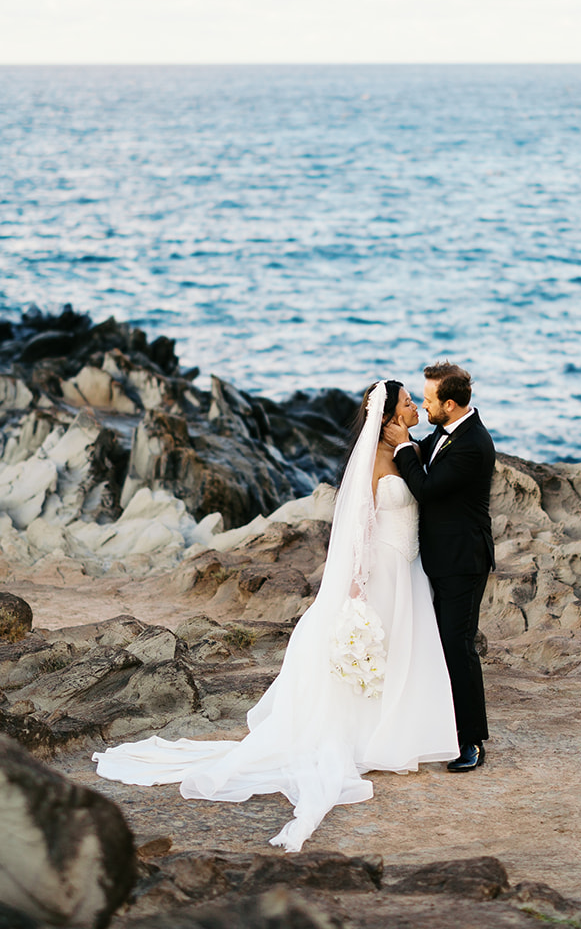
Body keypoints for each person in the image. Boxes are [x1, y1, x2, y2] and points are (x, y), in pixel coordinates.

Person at [93, 380, 457, 851]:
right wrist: (355, 592)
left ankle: (396, 732)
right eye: (407, 401)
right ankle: (368, 737)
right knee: (379, 647)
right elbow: (358, 531)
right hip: (383, 568)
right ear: (388, 416)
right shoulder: (372, 460)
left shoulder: (410, 449)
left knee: (406, 650)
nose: (413, 406)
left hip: (408, 565)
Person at [382, 361, 496, 773]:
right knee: (437, 645)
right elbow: (423, 456)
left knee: (458, 647)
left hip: (463, 562)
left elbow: (427, 488)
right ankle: (441, 727)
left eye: (429, 400)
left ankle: (472, 741)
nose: (425, 405)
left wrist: (400, 448)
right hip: (437, 558)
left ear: (449, 403)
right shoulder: (448, 433)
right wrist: (407, 444)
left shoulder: (473, 445)